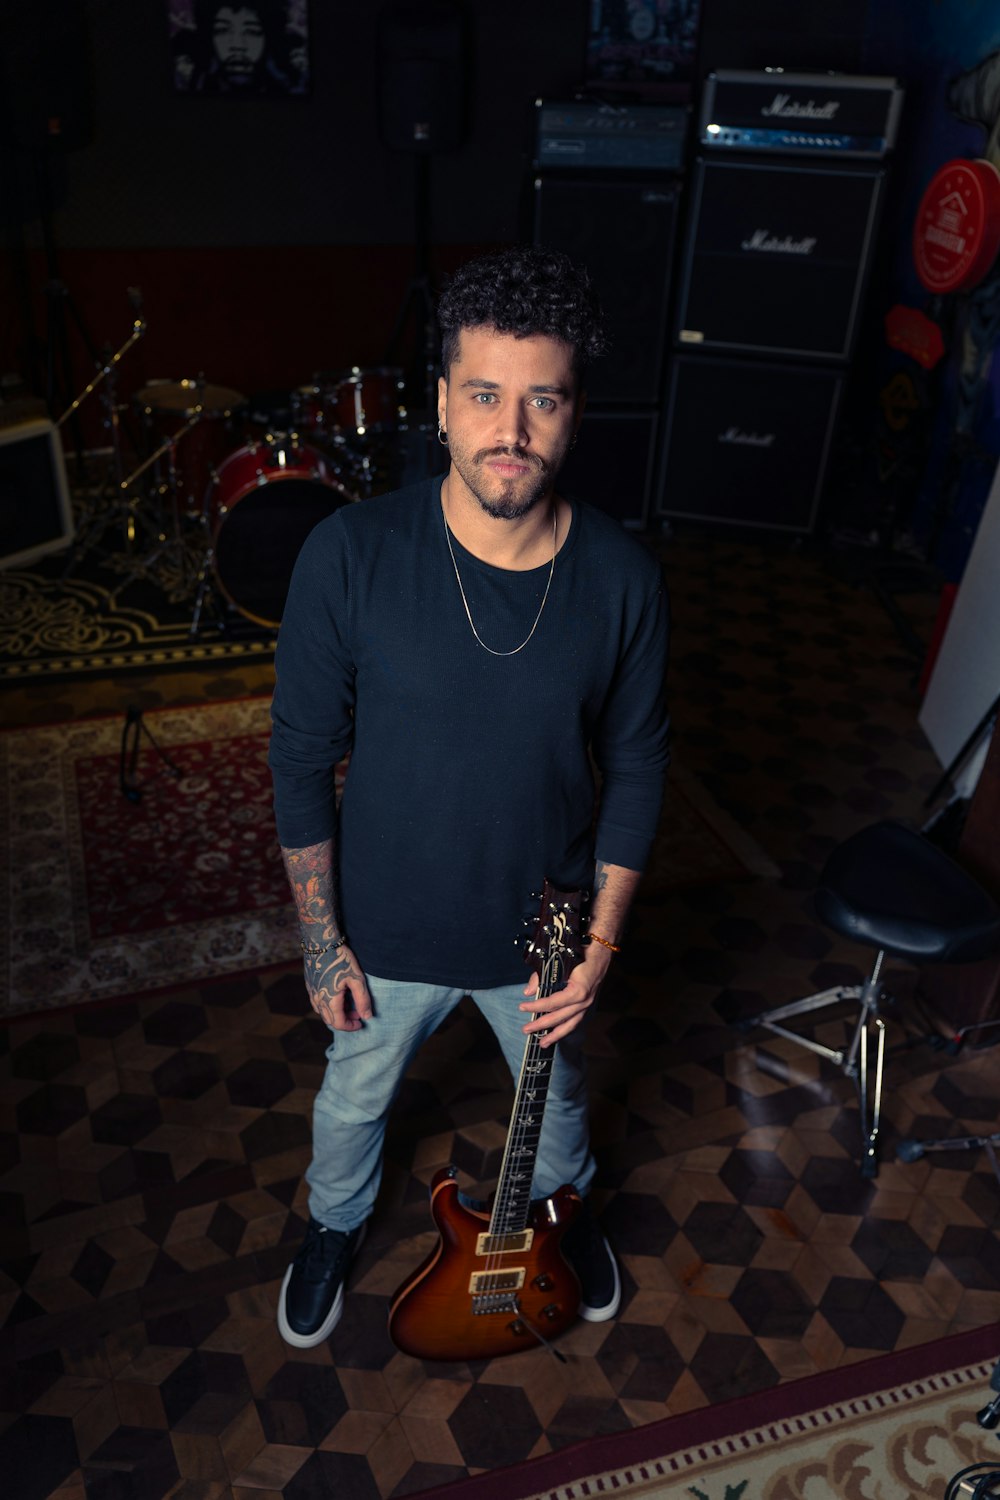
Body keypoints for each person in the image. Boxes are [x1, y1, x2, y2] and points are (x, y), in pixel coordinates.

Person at [268, 245, 671, 1349]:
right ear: (442, 403)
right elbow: (299, 757)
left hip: (544, 918)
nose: (512, 429)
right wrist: (321, 943)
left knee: (562, 1108)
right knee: (353, 1101)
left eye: (542, 399)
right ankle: (334, 1226)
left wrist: (597, 945)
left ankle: (561, 1213)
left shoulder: (624, 580)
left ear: (573, 412)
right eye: (485, 395)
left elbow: (636, 763)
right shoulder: (348, 555)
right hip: (387, 914)